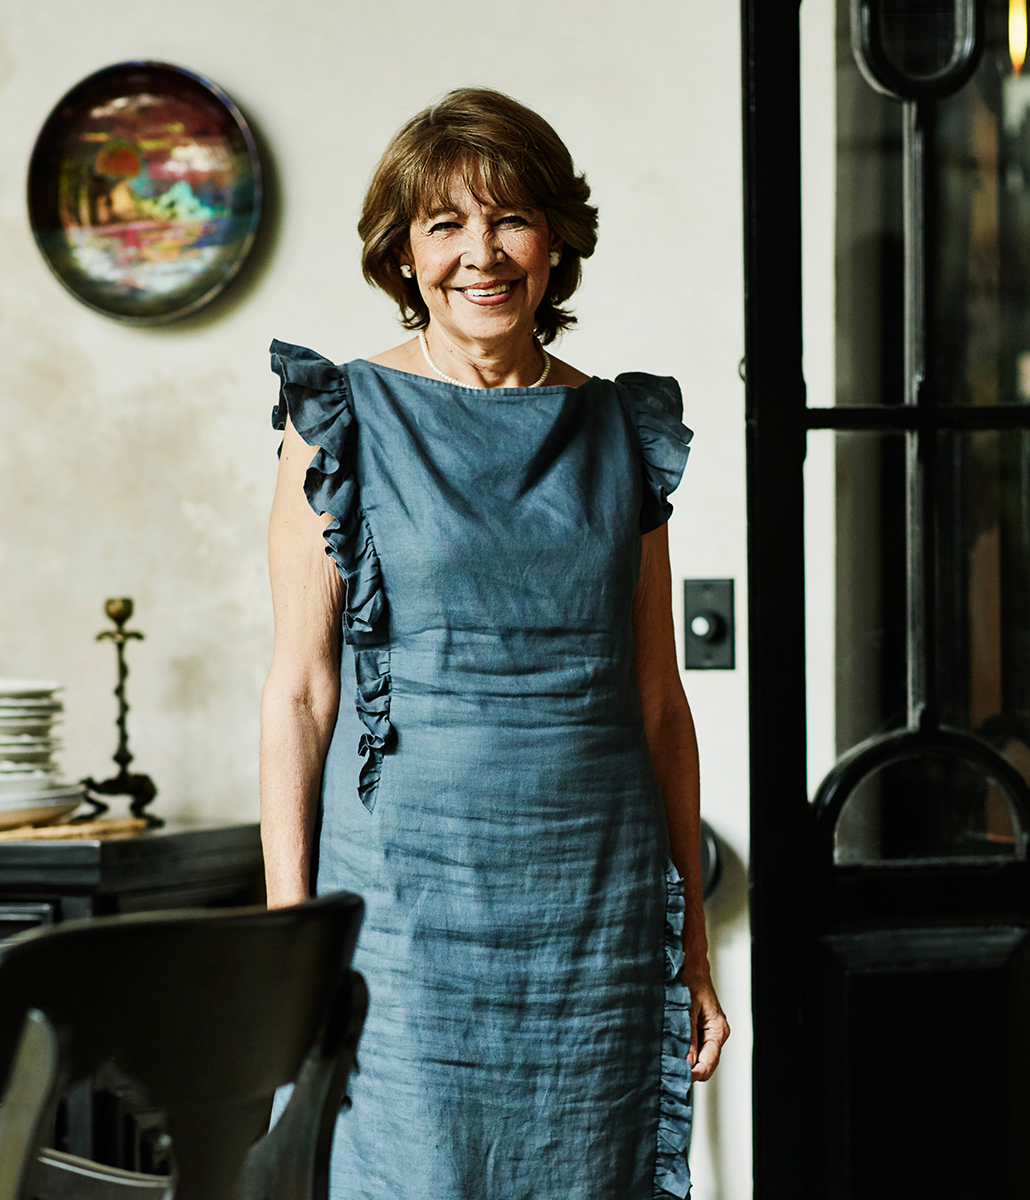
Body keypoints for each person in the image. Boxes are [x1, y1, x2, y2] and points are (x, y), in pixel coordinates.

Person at [261, 86, 728, 1200]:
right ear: (404, 253)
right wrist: (285, 952)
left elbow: (658, 703)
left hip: (596, 909)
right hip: (405, 905)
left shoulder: (621, 432)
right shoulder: (344, 418)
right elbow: (301, 693)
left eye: (511, 218)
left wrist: (693, 953)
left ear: (556, 240)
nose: (483, 254)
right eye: (445, 226)